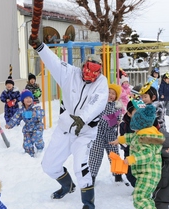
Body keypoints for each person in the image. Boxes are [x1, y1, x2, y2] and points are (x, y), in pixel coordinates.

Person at [29, 37, 108, 209]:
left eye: (94, 75)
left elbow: (97, 102)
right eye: (87, 73)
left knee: (80, 166)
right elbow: (54, 62)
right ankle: (67, 186)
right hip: (65, 129)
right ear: (83, 67)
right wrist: (40, 46)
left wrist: (83, 118)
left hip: (85, 133)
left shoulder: (102, 83)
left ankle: (88, 203)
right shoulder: (70, 73)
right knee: (49, 165)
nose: (89, 78)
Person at [110, 105, 165, 209]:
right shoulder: (142, 134)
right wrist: (120, 139)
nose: (134, 132)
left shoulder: (147, 138)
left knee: (140, 198)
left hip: (149, 174)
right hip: (145, 173)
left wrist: (132, 159)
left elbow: (147, 154)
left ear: (140, 127)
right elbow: (133, 138)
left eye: (135, 129)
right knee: (143, 198)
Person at [89, 83, 123, 183]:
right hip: (98, 133)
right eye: (108, 92)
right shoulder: (99, 103)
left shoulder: (117, 106)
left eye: (113, 93)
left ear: (116, 96)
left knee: (114, 154)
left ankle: (118, 175)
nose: (110, 95)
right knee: (95, 154)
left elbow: (116, 119)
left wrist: (116, 120)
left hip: (110, 133)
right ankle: (92, 176)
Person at [5, 89, 45, 157]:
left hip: (37, 126)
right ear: (23, 100)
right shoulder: (21, 110)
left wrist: (34, 113)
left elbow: (42, 113)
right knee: (27, 143)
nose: (29, 99)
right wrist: (10, 124)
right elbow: (16, 118)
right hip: (28, 128)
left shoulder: (35, 107)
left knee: (36, 138)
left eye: (30, 98)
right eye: (26, 98)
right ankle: (29, 153)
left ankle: (40, 148)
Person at [119, 100, 137, 187]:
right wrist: (128, 145)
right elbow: (121, 138)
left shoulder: (144, 122)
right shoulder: (124, 124)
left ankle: (141, 188)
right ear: (129, 113)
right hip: (129, 152)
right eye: (136, 112)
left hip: (141, 152)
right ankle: (136, 186)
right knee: (129, 172)